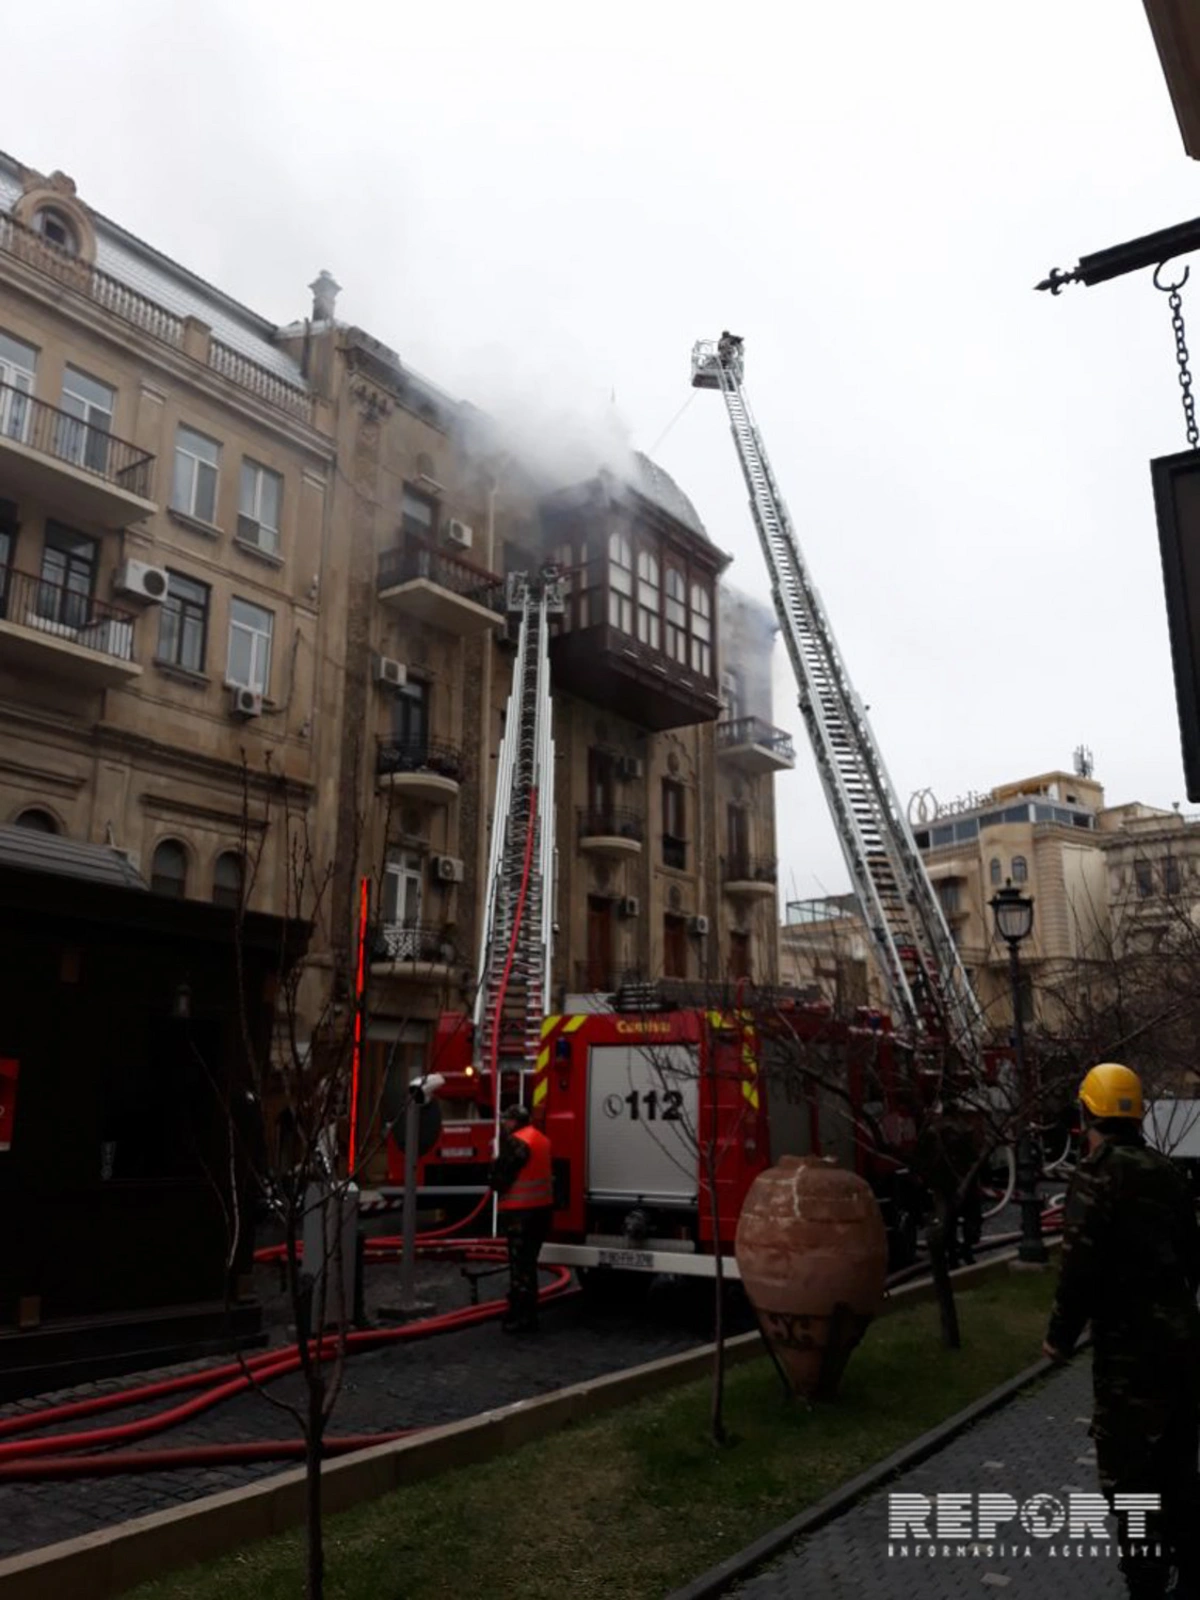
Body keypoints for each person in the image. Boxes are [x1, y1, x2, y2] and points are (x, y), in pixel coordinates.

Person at [1044, 1062, 1200, 1600]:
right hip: (1182, 1345)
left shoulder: (1097, 1175)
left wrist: (1059, 1337)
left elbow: (1078, 1268)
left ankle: (1147, 1585)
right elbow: (1193, 1254)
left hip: (1130, 1357)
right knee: (1179, 1468)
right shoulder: (1168, 1171)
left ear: (1086, 1113)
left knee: (1132, 1483)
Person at [489, 1104, 554, 1334]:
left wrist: (493, 1172)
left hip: (520, 1214)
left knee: (521, 1268)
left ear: (515, 1121)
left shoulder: (517, 1142)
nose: (504, 1123)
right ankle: (528, 1312)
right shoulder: (541, 1139)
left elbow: (501, 1177)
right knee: (530, 1263)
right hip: (542, 1212)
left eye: (507, 1119)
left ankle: (522, 1316)